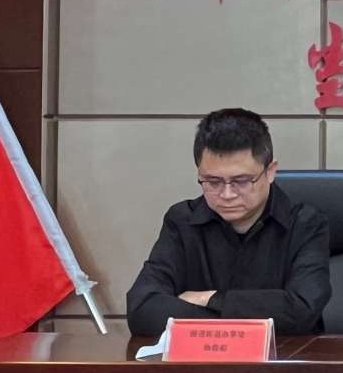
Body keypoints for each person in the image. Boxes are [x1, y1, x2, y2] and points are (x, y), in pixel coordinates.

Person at [126, 108, 331, 337]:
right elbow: (142, 308)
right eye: (212, 181)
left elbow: (302, 310)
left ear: (270, 171)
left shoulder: (305, 224)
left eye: (241, 181)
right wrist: (238, 322)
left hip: (285, 358)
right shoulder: (182, 221)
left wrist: (210, 299)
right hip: (201, 358)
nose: (227, 194)